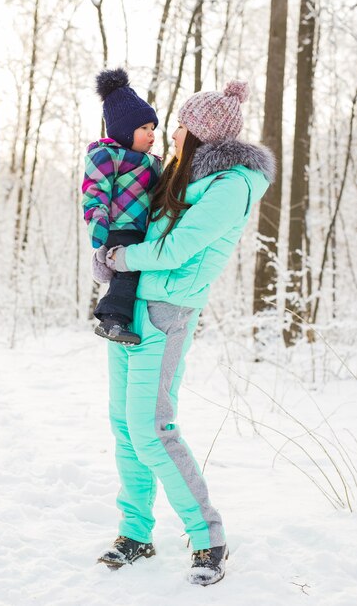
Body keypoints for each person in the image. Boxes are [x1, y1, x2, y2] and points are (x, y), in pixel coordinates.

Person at [95, 80, 276, 586]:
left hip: (167, 312)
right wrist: (107, 253)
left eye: (179, 124)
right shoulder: (180, 173)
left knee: (152, 430)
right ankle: (135, 533)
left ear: (199, 133)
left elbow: (177, 249)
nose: (171, 132)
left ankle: (207, 538)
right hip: (131, 308)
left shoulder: (231, 184)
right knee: (125, 429)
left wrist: (120, 258)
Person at [82, 68, 162, 345]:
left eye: (153, 128)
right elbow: (95, 189)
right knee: (128, 272)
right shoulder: (107, 155)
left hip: (142, 227)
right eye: (144, 129)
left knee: (135, 272)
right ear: (125, 131)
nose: (151, 134)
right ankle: (111, 321)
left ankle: (120, 318)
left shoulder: (151, 161)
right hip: (121, 225)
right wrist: (98, 222)